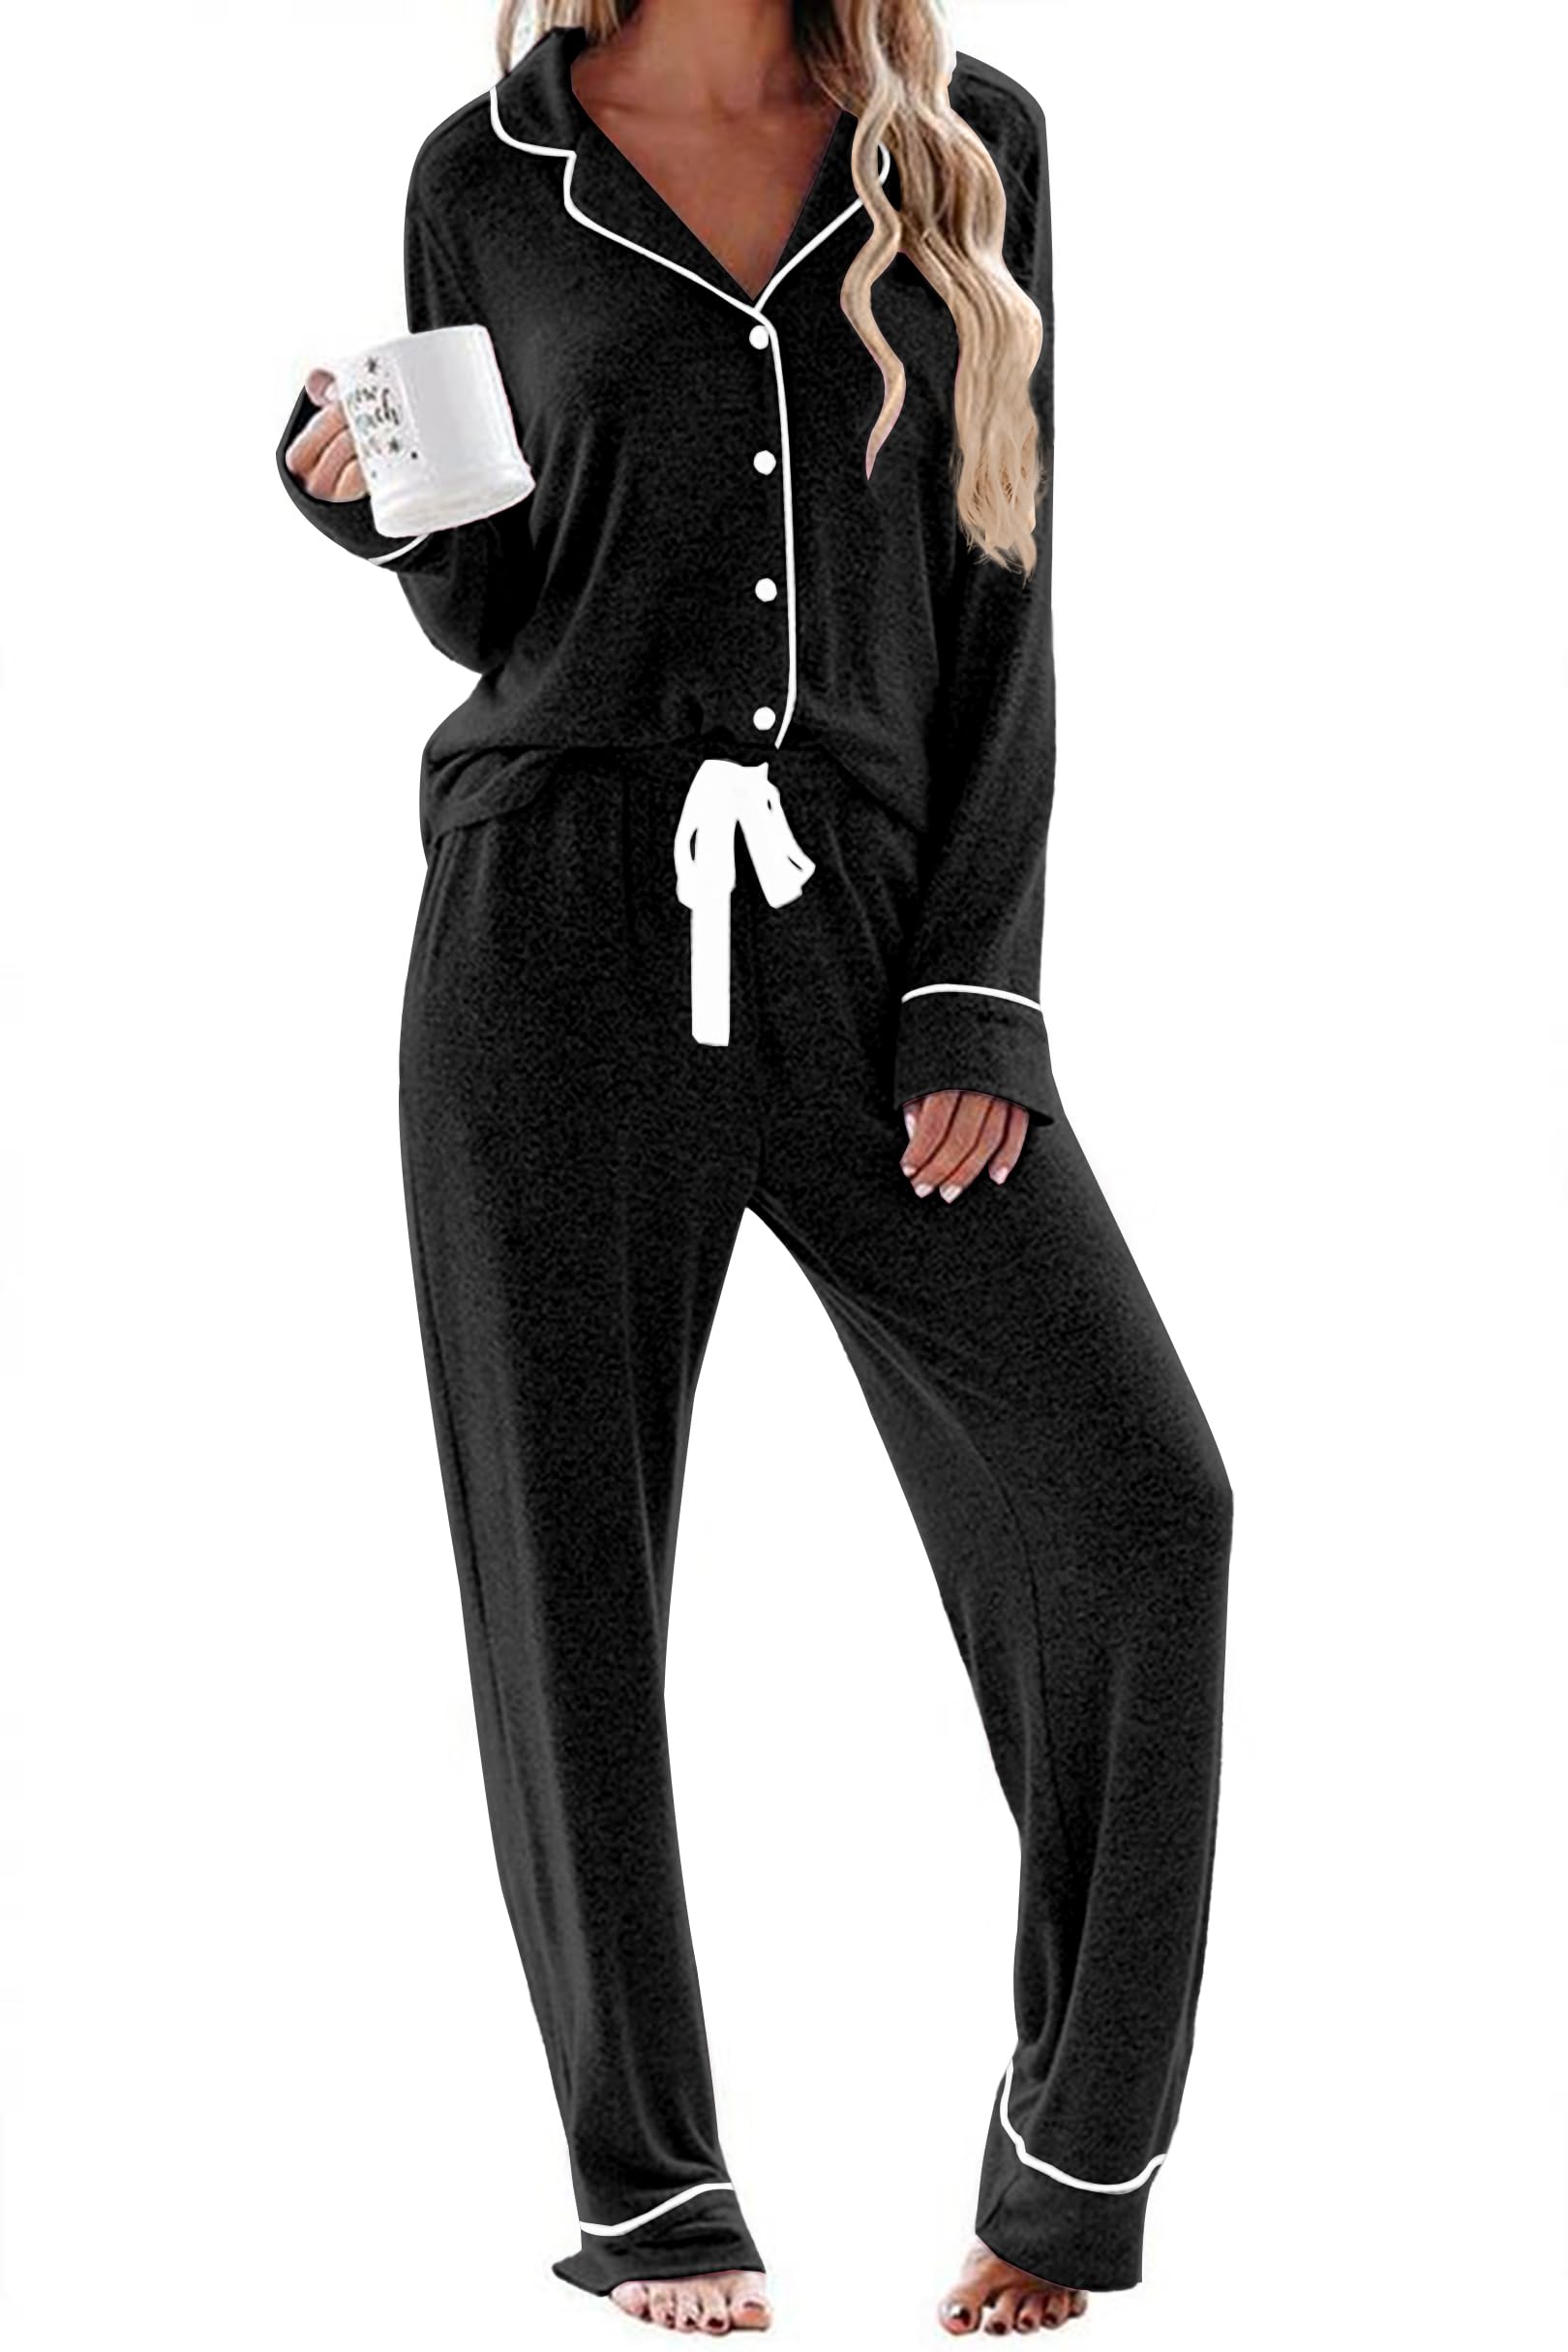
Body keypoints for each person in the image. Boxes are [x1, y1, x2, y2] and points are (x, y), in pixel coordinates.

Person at [277, 0, 1233, 2335]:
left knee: (1144, 1505)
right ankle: (654, 2193)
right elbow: (497, 595)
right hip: (549, 921)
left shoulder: (971, 149)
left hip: (868, 936)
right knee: (571, 1586)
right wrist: (365, 501)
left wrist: (977, 988)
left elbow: (1004, 589)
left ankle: (1073, 2155)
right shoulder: (484, 171)